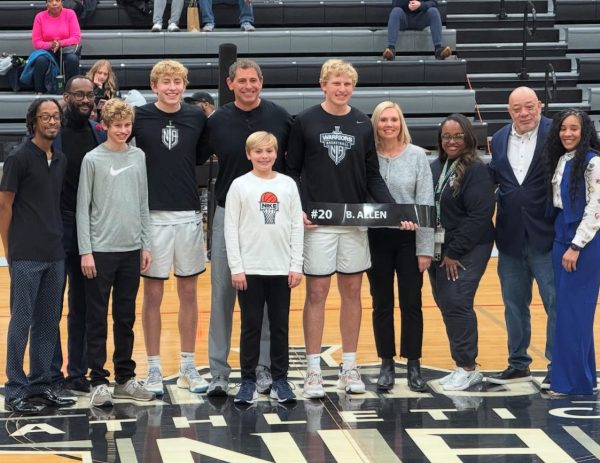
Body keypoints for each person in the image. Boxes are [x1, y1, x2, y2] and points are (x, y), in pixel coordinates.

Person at [286, 59, 407, 399]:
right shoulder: (305, 121)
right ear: (323, 84)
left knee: (353, 293)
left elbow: (371, 175)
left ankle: (349, 366)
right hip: (318, 223)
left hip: (354, 224)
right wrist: (302, 208)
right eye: (336, 83)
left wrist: (391, 211)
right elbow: (292, 170)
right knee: (317, 294)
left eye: (347, 84)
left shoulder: (362, 123)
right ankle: (312, 371)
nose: (342, 89)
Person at [202, 58, 293, 397]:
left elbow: (293, 167)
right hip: (229, 212)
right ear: (230, 84)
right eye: (241, 81)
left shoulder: (280, 118)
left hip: (270, 215)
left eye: (253, 80)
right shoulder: (217, 121)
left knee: (266, 297)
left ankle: (264, 370)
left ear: (261, 81)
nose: (248, 86)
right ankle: (219, 373)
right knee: (223, 293)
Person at [131, 60, 209, 395]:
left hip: (189, 214)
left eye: (178, 81)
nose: (172, 87)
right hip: (152, 216)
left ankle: (188, 366)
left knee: (189, 293)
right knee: (152, 294)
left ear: (184, 85)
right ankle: (153, 368)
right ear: (154, 86)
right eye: (166, 81)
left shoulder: (196, 117)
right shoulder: (141, 117)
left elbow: (202, 157)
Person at [77, 98, 155, 407]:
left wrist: (145, 244)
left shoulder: (138, 157)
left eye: (127, 125)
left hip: (131, 250)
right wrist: (86, 251)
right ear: (104, 126)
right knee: (97, 317)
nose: (123, 131)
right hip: (100, 250)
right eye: (117, 126)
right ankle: (98, 381)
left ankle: (125, 378)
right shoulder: (92, 159)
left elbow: (142, 203)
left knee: (125, 316)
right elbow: (83, 209)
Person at [0, 98, 76, 414]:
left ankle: (40, 385)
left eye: (55, 116)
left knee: (48, 321)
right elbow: (4, 205)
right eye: (45, 116)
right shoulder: (19, 158)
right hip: (25, 254)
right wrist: (8, 251)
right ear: (34, 121)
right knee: (21, 320)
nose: (51, 121)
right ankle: (15, 388)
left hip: (54, 253)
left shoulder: (59, 158)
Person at [224, 131, 303, 404]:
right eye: (258, 151)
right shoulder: (239, 185)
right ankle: (247, 380)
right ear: (249, 154)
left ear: (277, 153)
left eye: (269, 151)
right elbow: (230, 229)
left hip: (281, 268)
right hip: (250, 268)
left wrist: (296, 265)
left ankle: (281, 380)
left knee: (280, 326)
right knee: (251, 326)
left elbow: (296, 227)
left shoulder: (288, 185)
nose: (264, 156)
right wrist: (236, 267)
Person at [488, 87, 556, 389]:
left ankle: (558, 365)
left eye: (529, 106)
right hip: (510, 236)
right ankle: (518, 363)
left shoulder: (557, 132)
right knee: (513, 304)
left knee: (555, 304)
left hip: (548, 235)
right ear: (509, 110)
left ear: (539, 106)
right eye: (518, 108)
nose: (524, 113)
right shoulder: (499, 138)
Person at [367, 101, 434, 392]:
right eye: (383, 120)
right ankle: (386, 363)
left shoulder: (418, 156)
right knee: (381, 303)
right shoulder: (367, 156)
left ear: (401, 122)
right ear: (376, 124)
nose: (389, 124)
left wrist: (425, 248)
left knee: (411, 303)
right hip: (376, 238)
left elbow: (426, 202)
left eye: (394, 119)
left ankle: (414, 364)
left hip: (409, 241)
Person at [428, 113, 495, 391]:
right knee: (447, 305)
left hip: (468, 247)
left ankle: (468, 367)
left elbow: (480, 216)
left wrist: (454, 251)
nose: (451, 141)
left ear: (468, 137)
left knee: (457, 302)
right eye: (446, 136)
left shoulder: (476, 170)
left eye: (457, 136)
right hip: (439, 248)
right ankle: (459, 365)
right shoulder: (436, 167)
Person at [50, 75, 106, 398]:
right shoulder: (51, 134)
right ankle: (52, 371)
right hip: (56, 227)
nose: (86, 100)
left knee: (83, 305)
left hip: (89, 230)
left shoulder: (98, 134)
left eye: (90, 95)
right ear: (66, 96)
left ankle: (76, 372)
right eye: (79, 95)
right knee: (52, 306)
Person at [545, 109, 600, 395]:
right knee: (569, 312)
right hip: (561, 238)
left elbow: (596, 208)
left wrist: (576, 246)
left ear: (585, 131)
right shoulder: (563, 159)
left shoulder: (593, 162)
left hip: (582, 245)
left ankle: (569, 383)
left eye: (574, 129)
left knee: (574, 314)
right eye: (563, 128)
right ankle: (582, 378)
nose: (567, 133)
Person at [31, 0, 81, 93]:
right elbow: (36, 42)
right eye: (50, 1)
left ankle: (73, 91)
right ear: (46, 3)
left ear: (61, 2)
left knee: (72, 59)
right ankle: (40, 92)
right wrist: (51, 45)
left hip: (66, 49)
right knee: (41, 60)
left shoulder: (70, 14)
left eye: (57, 0)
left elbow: (76, 38)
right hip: (48, 51)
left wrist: (60, 43)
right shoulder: (40, 17)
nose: (54, 3)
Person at [382, 0, 451, 61]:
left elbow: (434, 3)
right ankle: (391, 48)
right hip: (404, 18)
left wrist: (420, 5)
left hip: (420, 19)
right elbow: (395, 4)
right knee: (395, 11)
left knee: (434, 11)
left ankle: (438, 49)